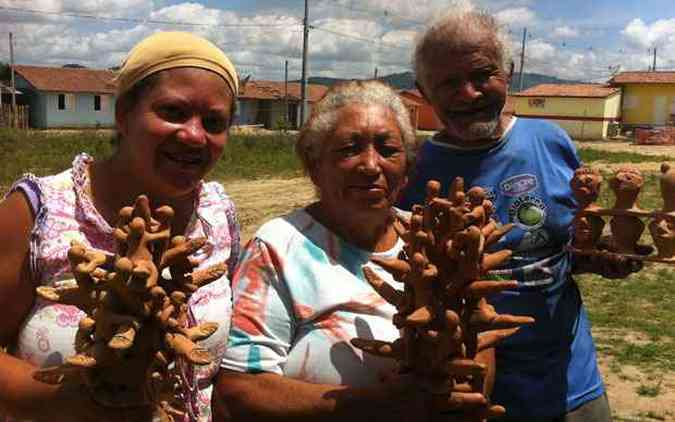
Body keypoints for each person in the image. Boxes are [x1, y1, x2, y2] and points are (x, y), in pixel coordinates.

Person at [399, 5, 641, 422]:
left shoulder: (551, 141)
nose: (469, 93)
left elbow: (563, 246)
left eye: (482, 75)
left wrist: (607, 254)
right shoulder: (412, 170)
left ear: (508, 72)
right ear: (422, 90)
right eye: (449, 82)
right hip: (466, 391)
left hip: (570, 385)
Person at [215, 80, 497, 422]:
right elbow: (237, 393)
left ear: (407, 169)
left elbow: (479, 334)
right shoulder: (278, 247)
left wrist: (464, 388)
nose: (370, 165)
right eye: (349, 149)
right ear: (314, 166)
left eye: (387, 149)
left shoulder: (434, 240)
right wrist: (376, 404)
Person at [0, 31, 240, 422]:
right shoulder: (37, 210)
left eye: (214, 122)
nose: (195, 135)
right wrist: (77, 404)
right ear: (123, 114)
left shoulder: (219, 213)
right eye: (173, 112)